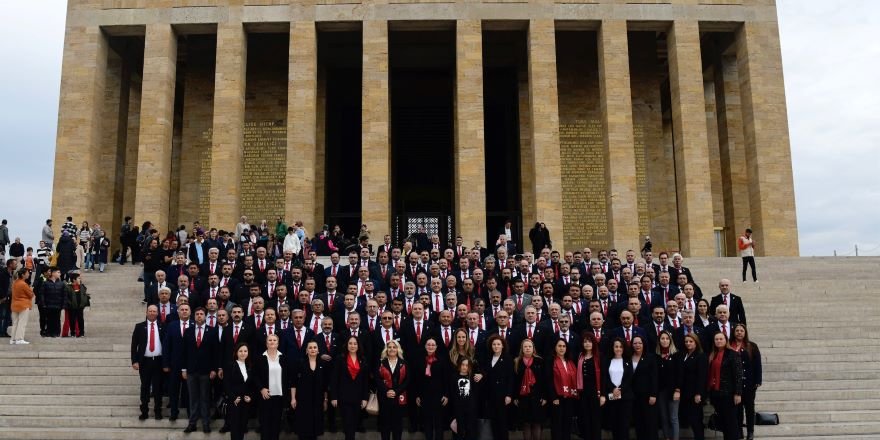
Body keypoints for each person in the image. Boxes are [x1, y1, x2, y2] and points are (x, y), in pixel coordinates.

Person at [181, 307, 219, 434]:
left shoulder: (212, 331)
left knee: (205, 398)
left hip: (206, 371)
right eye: (197, 314)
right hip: (191, 371)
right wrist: (184, 369)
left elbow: (215, 352)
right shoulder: (188, 331)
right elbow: (184, 352)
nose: (199, 316)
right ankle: (192, 423)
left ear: (205, 316)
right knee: (193, 398)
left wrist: (214, 369)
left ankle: (206, 423)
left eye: (201, 314)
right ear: (194, 316)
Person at [330, 335, 370, 440]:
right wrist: (334, 396)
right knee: (347, 424)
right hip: (344, 397)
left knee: (354, 423)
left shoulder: (363, 359)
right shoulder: (340, 358)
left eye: (355, 343)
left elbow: (365, 381)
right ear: (347, 345)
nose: (352, 346)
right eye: (350, 343)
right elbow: (334, 379)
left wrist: (365, 398)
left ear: (358, 346)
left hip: (358, 397)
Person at [254, 333, 293, 440]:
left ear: (278, 343)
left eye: (274, 340)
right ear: (266, 343)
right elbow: (255, 376)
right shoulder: (260, 358)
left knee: (276, 424)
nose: (272, 342)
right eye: (270, 340)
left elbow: (288, 376)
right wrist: (261, 388)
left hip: (279, 396)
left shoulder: (284, 358)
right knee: (265, 423)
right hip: (265, 396)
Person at [131, 305, 165, 420]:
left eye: (154, 311)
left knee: (158, 387)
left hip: (158, 361)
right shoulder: (139, 327)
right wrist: (134, 361)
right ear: (146, 313)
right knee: (145, 387)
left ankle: (157, 411)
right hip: (145, 361)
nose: (152, 313)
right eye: (150, 311)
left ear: (157, 313)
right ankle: (144, 410)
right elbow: (134, 345)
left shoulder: (163, 326)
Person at [708, 331, 743, 440]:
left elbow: (738, 375)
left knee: (731, 423)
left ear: (726, 340)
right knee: (723, 422)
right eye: (716, 339)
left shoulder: (732, 354)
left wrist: (738, 393)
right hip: (716, 394)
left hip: (729, 393)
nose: (718, 341)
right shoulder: (713, 354)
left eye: (721, 339)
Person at [291, 340, 329, 440]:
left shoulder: (323, 364)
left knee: (315, 428)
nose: (313, 349)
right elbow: (293, 383)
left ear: (318, 350)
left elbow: (325, 385)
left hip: (317, 400)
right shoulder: (300, 363)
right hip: (303, 400)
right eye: (310, 347)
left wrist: (325, 400)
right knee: (303, 427)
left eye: (315, 347)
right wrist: (293, 398)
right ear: (306, 350)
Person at [414, 337, 450, 440]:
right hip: (424, 395)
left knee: (439, 423)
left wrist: (446, 395)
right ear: (425, 346)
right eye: (428, 345)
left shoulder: (442, 359)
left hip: (439, 395)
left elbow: (446, 379)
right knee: (427, 422)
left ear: (436, 347)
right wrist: (417, 395)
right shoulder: (420, 359)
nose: (430, 346)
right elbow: (417, 379)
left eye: (433, 345)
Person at [731, 324, 761, 440]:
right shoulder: (730, 345)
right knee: (737, 409)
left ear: (745, 332)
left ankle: (750, 431)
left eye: (741, 331)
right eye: (737, 330)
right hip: (734, 383)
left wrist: (758, 380)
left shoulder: (752, 346)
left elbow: (757, 365)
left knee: (749, 408)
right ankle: (739, 431)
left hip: (749, 382)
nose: (739, 333)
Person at [376, 339, 410, 440]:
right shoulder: (380, 363)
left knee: (397, 426)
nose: (392, 349)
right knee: (384, 426)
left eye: (394, 347)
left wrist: (396, 391)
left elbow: (408, 380)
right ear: (386, 349)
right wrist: (387, 391)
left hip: (399, 398)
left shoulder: (404, 363)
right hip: (384, 398)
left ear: (398, 349)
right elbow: (377, 379)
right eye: (389, 347)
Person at [513, 338, 546, 440]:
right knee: (526, 424)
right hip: (523, 397)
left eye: (529, 346)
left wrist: (544, 396)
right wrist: (515, 397)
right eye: (525, 347)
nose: (527, 348)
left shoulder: (539, 361)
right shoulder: (517, 361)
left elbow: (544, 380)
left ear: (533, 348)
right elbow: (514, 381)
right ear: (522, 349)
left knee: (536, 423)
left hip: (537, 397)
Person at [482, 334, 513, 440]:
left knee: (502, 423)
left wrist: (509, 395)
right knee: (494, 422)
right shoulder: (488, 358)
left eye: (498, 344)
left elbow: (510, 378)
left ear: (503, 346)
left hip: (502, 395)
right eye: (494, 344)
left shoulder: (508, 359)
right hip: (490, 395)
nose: (496, 346)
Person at [602, 338, 633, 440]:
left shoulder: (628, 361)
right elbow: (605, 377)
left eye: (620, 346)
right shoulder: (607, 360)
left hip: (625, 398)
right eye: (616, 346)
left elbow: (629, 379)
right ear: (612, 348)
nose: (618, 349)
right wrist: (613, 389)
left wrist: (620, 389)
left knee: (624, 426)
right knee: (614, 425)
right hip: (612, 397)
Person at [547, 338, 577, 440]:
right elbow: (549, 380)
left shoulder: (570, 361)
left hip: (569, 397)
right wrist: (553, 397)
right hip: (557, 398)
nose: (562, 348)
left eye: (564, 346)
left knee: (567, 423)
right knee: (557, 424)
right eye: (559, 346)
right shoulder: (550, 361)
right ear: (555, 348)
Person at [577, 332, 605, 440]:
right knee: (585, 418)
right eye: (585, 342)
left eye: (589, 341)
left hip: (595, 392)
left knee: (595, 419)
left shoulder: (599, 356)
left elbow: (603, 376)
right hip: (583, 392)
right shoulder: (580, 356)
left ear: (593, 343)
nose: (587, 344)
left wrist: (602, 395)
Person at [224, 342, 254, 440]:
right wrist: (233, 398)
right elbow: (226, 384)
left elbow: (251, 385)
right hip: (235, 401)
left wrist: (250, 396)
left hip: (245, 402)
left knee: (242, 427)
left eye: (245, 351)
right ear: (236, 352)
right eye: (240, 351)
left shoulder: (249, 366)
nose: (243, 353)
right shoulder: (230, 365)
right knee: (235, 429)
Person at [631, 335, 658, 440]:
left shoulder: (650, 357)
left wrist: (653, 394)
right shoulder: (629, 357)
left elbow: (654, 377)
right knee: (639, 422)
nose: (637, 345)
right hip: (634, 396)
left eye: (640, 343)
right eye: (635, 343)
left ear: (644, 344)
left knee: (650, 423)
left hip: (648, 396)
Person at [656, 331, 680, 440]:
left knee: (673, 418)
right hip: (661, 391)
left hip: (673, 391)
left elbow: (680, 375)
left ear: (670, 340)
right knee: (664, 417)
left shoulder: (676, 355)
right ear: (659, 340)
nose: (665, 340)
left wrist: (677, 390)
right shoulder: (656, 356)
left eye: (667, 338)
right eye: (662, 338)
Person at [450, 357, 480, 440]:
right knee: (459, 430)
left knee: (470, 430)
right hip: (458, 408)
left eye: (467, 365)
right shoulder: (454, 377)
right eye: (463, 365)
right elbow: (452, 393)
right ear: (459, 365)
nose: (464, 367)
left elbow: (475, 393)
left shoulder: (472, 378)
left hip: (470, 408)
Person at [10, 267, 34, 345]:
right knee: (22, 323)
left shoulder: (15, 283)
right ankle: (19, 338)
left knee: (15, 322)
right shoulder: (24, 284)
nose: (28, 274)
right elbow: (31, 295)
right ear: (23, 275)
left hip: (15, 304)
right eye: (27, 273)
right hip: (23, 304)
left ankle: (13, 339)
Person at [40, 267, 65, 338]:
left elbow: (64, 295)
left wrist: (63, 304)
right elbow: (42, 294)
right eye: (58, 272)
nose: (59, 274)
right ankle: (49, 332)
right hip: (48, 305)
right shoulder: (45, 283)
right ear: (53, 273)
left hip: (58, 305)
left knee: (57, 319)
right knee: (49, 319)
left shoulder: (61, 283)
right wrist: (43, 304)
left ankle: (56, 332)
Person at [62, 272, 89, 337]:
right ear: (74, 280)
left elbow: (84, 295)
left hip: (80, 306)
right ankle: (72, 332)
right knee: (72, 320)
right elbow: (66, 297)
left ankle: (81, 332)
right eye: (78, 278)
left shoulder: (82, 287)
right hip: (72, 307)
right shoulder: (68, 287)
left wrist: (84, 303)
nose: (80, 280)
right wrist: (69, 304)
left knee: (81, 320)